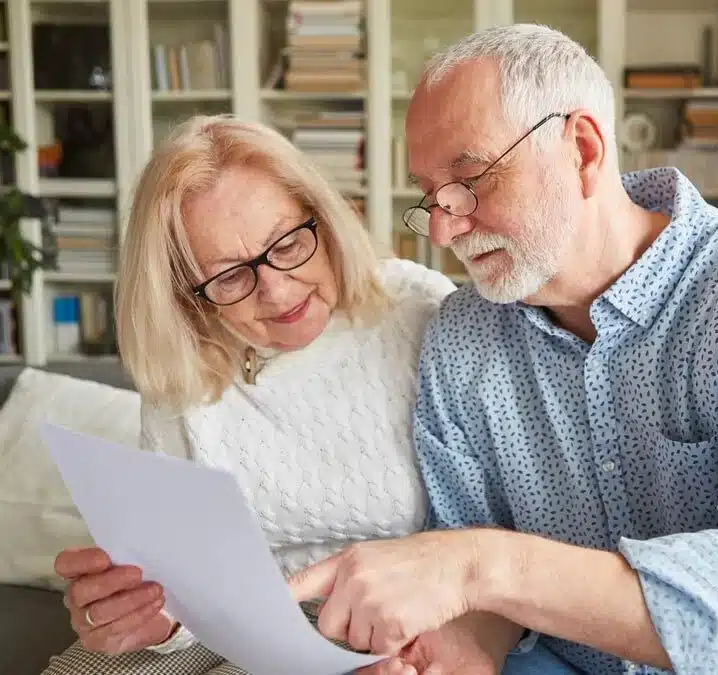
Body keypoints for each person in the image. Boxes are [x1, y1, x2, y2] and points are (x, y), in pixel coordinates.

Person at [288, 24, 718, 675]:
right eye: (431, 196)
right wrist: (458, 645)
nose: (442, 227)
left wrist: (479, 563)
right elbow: (484, 602)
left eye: (470, 181)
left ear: (581, 149)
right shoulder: (461, 337)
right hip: (563, 659)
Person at [42, 114, 461, 675]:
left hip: (392, 619)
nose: (277, 290)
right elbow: (183, 581)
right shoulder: (184, 364)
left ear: (326, 218)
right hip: (226, 626)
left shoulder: (419, 309)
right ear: (187, 294)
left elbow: (482, 539)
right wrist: (149, 615)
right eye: (230, 276)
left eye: (287, 244)